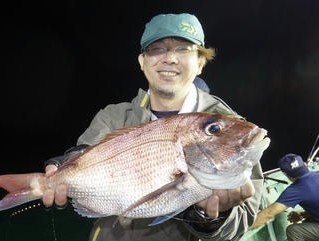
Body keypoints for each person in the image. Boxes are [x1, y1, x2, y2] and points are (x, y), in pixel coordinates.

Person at [43, 13, 264, 241]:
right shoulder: (114, 115)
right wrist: (61, 165)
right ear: (142, 61)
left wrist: (211, 218)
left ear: (200, 62)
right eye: (157, 48)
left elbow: (241, 225)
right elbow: (85, 154)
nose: (170, 58)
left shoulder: (230, 129)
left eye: (183, 49)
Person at [249, 154, 319, 240]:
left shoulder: (296, 190)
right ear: (304, 164)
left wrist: (243, 228)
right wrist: (303, 214)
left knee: (293, 230)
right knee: (307, 222)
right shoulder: (316, 175)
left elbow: (268, 214)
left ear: (286, 174)